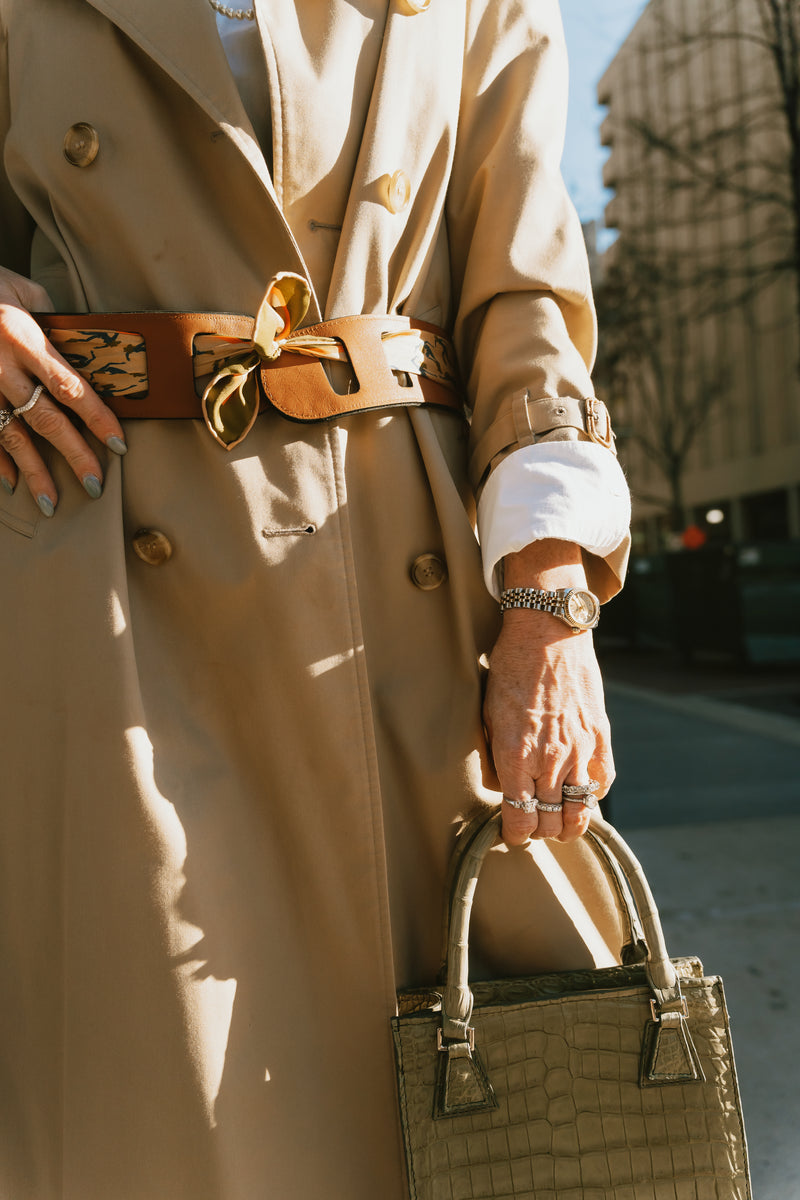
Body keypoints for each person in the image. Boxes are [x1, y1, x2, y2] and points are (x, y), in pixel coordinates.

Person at [0, 2, 631, 1197]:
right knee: (160, 1114)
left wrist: (552, 602)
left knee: (479, 1113)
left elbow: (527, 301)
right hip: (98, 579)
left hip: (407, 600)